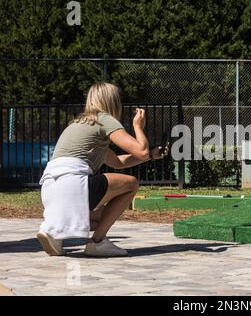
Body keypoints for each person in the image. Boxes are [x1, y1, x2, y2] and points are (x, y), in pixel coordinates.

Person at [37, 82, 168, 257]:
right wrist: (138, 127)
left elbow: (117, 162)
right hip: (73, 183)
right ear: (113, 101)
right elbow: (141, 151)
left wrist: (151, 155)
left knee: (102, 217)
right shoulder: (104, 119)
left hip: (50, 189)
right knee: (131, 183)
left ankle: (54, 231)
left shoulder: (80, 123)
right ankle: (98, 242)